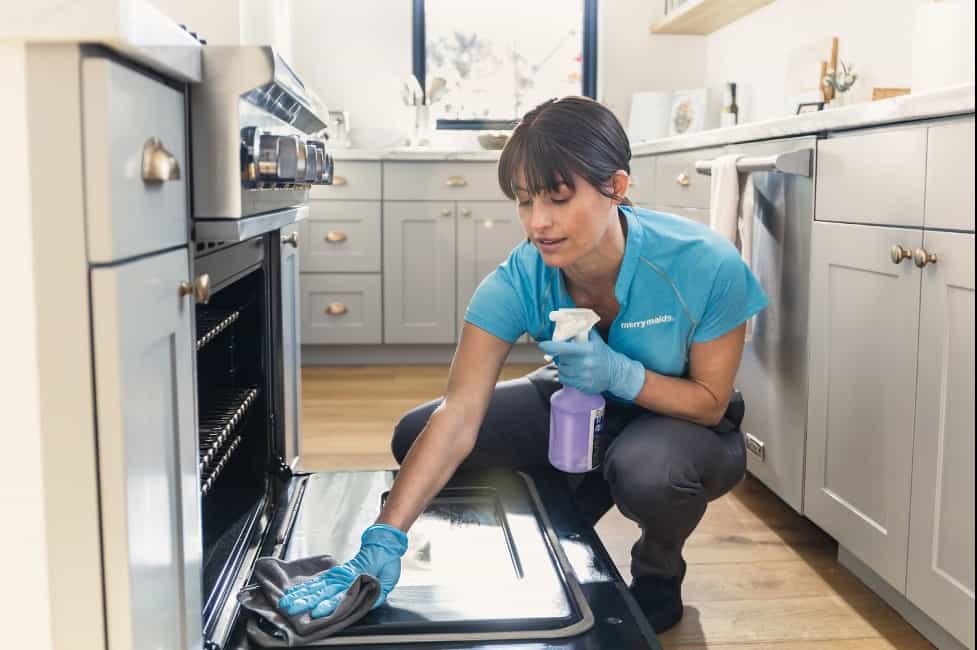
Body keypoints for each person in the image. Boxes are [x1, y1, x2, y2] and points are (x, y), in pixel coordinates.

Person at [278, 96, 768, 633]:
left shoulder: (703, 263)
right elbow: (459, 414)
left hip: (682, 422)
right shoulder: (519, 278)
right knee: (415, 432)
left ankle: (659, 569)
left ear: (617, 188)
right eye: (525, 200)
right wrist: (382, 538)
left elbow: (709, 401)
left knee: (647, 470)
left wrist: (619, 373)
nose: (539, 223)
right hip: (577, 401)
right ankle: (564, 512)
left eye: (558, 199)